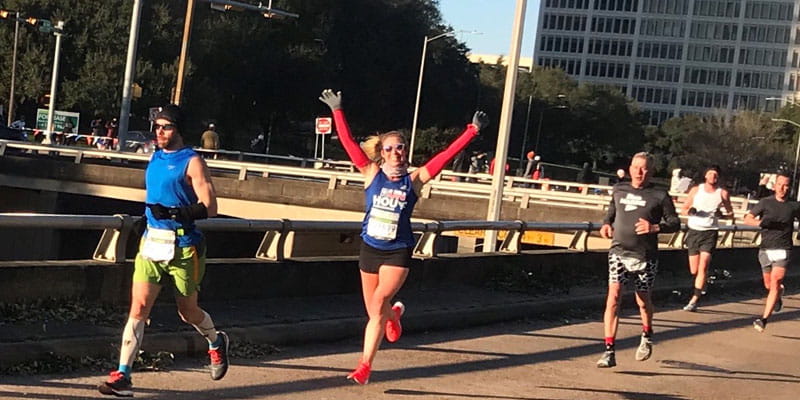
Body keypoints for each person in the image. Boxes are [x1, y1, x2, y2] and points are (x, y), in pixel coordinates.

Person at [319, 88, 488, 384]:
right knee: (375, 312)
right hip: (370, 249)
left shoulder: (415, 180)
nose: (397, 153)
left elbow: (445, 156)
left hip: (397, 251)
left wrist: (471, 132)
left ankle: (364, 366)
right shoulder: (371, 174)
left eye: (401, 148)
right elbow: (347, 143)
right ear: (381, 153)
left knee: (380, 299)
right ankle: (395, 316)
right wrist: (338, 111)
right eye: (390, 148)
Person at [98, 105, 229, 397]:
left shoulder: (192, 161)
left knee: (188, 312)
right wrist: (147, 219)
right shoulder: (155, 157)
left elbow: (210, 207)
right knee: (139, 309)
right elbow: (155, 196)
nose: (159, 132)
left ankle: (216, 341)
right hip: (151, 242)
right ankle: (123, 374)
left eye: (165, 127)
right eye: (156, 126)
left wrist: (174, 212)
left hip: (184, 247)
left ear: (179, 129)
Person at [597, 152, 680, 368]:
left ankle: (647, 333)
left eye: (643, 168)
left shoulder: (659, 195)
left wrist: (655, 227)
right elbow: (610, 215)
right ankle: (609, 350)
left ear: (650, 171)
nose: (639, 172)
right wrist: (606, 224)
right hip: (618, 251)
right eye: (635, 167)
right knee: (613, 297)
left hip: (645, 256)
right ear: (630, 168)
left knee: (642, 300)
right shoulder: (619, 189)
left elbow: (675, 223)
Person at [743, 173, 800, 332]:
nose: (783, 188)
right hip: (766, 249)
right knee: (769, 285)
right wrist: (761, 222)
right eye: (780, 184)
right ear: (774, 186)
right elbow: (747, 218)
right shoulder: (765, 203)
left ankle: (764, 319)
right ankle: (779, 295)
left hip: (783, 249)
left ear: (790, 187)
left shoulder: (794, 206)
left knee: (775, 281)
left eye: (786, 185)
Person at [680, 166, 734, 312]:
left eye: (715, 174)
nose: (713, 177)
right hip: (694, 231)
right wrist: (690, 211)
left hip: (710, 232)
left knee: (703, 266)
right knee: (694, 270)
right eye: (710, 174)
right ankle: (702, 282)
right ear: (705, 176)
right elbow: (684, 208)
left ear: (718, 177)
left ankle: (694, 300)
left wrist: (721, 215)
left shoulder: (722, 193)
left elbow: (730, 213)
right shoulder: (696, 190)